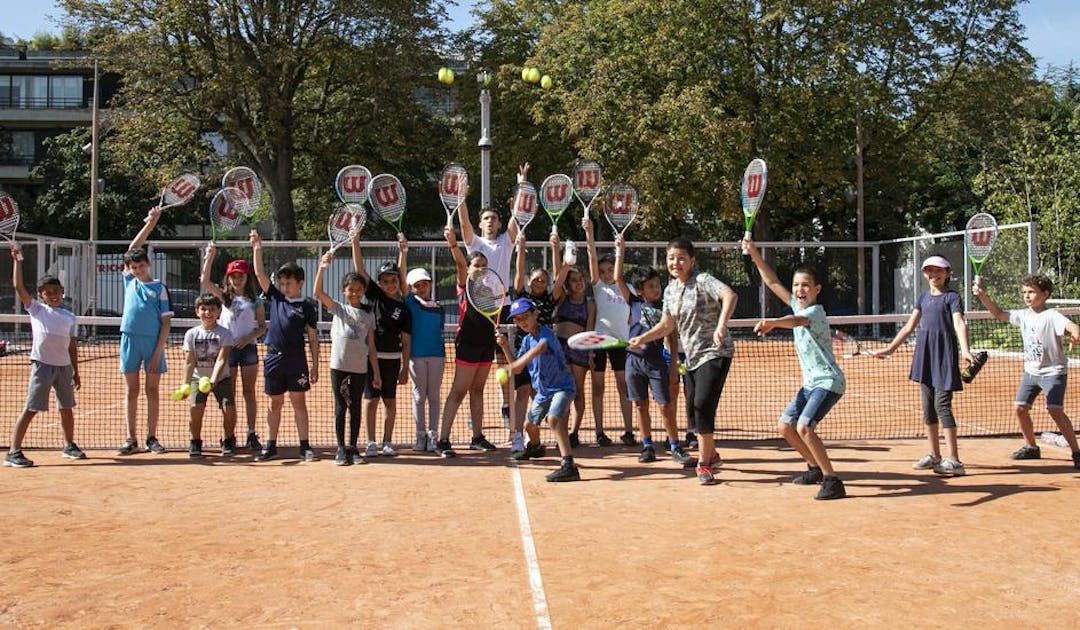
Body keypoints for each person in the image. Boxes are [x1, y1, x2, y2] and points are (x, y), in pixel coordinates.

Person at [628, 237, 737, 486]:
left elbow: (730, 295)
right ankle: (713, 454)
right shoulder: (670, 290)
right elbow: (667, 325)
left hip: (715, 351)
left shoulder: (702, 280)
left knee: (701, 405)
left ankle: (704, 464)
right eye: (671, 258)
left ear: (691, 260)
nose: (675, 262)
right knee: (692, 411)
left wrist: (722, 325)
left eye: (681, 258)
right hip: (691, 356)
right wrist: (642, 338)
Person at [744, 238, 847, 499]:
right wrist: (755, 254)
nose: (800, 290)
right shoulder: (796, 304)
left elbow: (796, 320)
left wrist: (774, 323)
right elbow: (772, 282)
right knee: (785, 426)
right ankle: (813, 467)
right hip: (811, 383)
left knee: (804, 427)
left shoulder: (814, 312)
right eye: (797, 285)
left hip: (828, 381)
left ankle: (832, 480)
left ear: (816, 289)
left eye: (806, 286)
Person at [873, 255, 974, 476]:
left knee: (942, 406)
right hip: (924, 356)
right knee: (928, 407)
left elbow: (959, 323)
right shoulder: (923, 298)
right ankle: (934, 455)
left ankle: (955, 460)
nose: (933, 275)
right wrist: (891, 348)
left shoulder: (952, 297)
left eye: (938, 271)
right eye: (929, 271)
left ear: (947, 273)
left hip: (944, 356)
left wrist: (965, 349)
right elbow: (909, 327)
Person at [974, 274, 1080, 468]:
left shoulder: (1052, 316)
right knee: (1020, 409)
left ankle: (1076, 452)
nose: (1027, 296)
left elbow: (1072, 326)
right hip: (1031, 373)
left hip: (1053, 372)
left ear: (1045, 294)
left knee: (1054, 410)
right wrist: (982, 295)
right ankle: (1031, 447)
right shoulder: (1022, 315)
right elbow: (998, 314)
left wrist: (1075, 333)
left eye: (1031, 292)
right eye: (1024, 292)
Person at [613, 236, 692, 466]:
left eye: (657, 285)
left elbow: (671, 336)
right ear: (640, 290)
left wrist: (674, 365)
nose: (656, 289)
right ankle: (647, 445)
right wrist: (620, 250)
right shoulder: (634, 303)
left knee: (666, 406)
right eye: (651, 286)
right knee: (640, 405)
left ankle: (675, 445)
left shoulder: (666, 305)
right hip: (633, 363)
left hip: (657, 362)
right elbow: (618, 278)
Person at [5, 246, 82, 468]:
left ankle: (69, 445)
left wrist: (76, 371)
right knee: (31, 408)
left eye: (56, 291)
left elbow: (72, 345)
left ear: (63, 291)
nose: (53, 295)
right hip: (42, 366)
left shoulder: (69, 316)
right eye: (48, 293)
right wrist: (18, 261)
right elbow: (18, 286)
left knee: (66, 408)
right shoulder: (37, 310)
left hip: (64, 368)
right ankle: (13, 452)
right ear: (41, 296)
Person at [458, 166, 523, 423]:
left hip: (504, 307)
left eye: (494, 218)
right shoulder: (475, 243)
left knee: (504, 360)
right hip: (480, 308)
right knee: (478, 363)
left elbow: (516, 219)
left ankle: (507, 407)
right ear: (480, 223)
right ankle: (474, 413)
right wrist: (461, 197)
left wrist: (522, 186)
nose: (491, 222)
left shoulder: (507, 241)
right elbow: (463, 223)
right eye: (486, 219)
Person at [249, 230, 320, 462]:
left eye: (288, 283)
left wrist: (315, 365)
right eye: (281, 283)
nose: (284, 286)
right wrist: (257, 247)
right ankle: (270, 446)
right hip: (273, 358)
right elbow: (259, 274)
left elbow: (312, 337)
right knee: (274, 403)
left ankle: (305, 446)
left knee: (299, 402)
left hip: (297, 360)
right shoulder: (276, 298)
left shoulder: (308, 306)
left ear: (300, 283)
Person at [433, 226, 499, 457]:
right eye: (476, 265)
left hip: (486, 344)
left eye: (483, 265)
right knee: (458, 391)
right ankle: (442, 440)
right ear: (469, 269)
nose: (480, 269)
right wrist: (453, 244)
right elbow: (460, 264)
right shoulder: (464, 287)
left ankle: (477, 437)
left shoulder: (490, 291)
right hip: (468, 343)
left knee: (478, 391)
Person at [498, 298, 580, 482]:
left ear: (535, 314)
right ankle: (535, 448)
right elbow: (517, 367)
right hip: (543, 392)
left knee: (554, 419)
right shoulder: (527, 340)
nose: (523, 322)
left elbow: (539, 349)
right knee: (529, 426)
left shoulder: (546, 333)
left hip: (562, 387)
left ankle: (569, 465)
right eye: (518, 319)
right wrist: (504, 347)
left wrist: (512, 367)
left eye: (526, 316)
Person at [314, 245, 380, 466]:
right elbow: (318, 294)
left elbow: (371, 345)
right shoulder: (339, 308)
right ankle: (340, 448)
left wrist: (376, 373)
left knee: (356, 408)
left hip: (359, 368)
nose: (354, 293)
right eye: (350, 289)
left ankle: (353, 448)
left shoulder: (368, 314)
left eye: (358, 290)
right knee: (341, 406)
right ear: (344, 291)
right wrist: (323, 268)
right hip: (338, 366)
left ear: (363, 291)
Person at [200, 244, 267, 453]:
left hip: (248, 350)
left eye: (241, 276)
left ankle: (251, 432)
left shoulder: (255, 301)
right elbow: (204, 281)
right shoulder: (224, 298)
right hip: (227, 350)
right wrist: (209, 257)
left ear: (247, 278)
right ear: (228, 278)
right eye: (233, 276)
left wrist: (248, 338)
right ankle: (229, 435)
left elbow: (263, 327)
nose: (237, 280)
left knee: (249, 392)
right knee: (230, 393)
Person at [117, 206, 172, 455]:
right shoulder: (129, 281)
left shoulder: (159, 288)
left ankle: (152, 437)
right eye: (134, 267)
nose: (138, 270)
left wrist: (158, 351)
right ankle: (131, 438)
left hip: (152, 344)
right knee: (132, 390)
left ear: (148, 264)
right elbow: (131, 248)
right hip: (129, 339)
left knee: (152, 390)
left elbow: (166, 323)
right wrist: (150, 222)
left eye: (141, 266)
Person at [352, 235, 411, 458]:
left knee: (389, 401)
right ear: (379, 283)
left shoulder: (404, 308)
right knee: (371, 400)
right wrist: (356, 242)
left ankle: (387, 441)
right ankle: (370, 442)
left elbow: (406, 341)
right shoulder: (376, 296)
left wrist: (405, 367)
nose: (389, 284)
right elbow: (360, 269)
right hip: (371, 357)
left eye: (393, 281)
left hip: (393, 359)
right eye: (385, 281)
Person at [583, 216, 635, 446]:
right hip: (599, 343)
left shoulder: (626, 288)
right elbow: (591, 256)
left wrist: (620, 249)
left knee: (624, 386)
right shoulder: (598, 287)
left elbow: (619, 275)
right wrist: (589, 234)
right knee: (598, 387)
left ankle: (628, 430)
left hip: (622, 344)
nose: (605, 274)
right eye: (602, 270)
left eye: (609, 270)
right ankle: (599, 431)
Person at [509, 230, 560, 455]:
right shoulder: (521, 297)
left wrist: (555, 248)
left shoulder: (550, 299)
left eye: (543, 280)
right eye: (536, 279)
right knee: (522, 394)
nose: (539, 282)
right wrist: (521, 247)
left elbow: (559, 275)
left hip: (545, 357)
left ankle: (542, 436)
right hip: (523, 351)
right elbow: (519, 271)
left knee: (542, 397)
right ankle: (518, 437)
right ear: (530, 281)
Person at [551, 243, 600, 447]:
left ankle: (574, 431)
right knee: (563, 391)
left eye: (580, 279)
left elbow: (589, 331)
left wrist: (589, 355)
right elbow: (557, 277)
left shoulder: (590, 304)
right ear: (568, 284)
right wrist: (557, 250)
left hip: (579, 352)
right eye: (573, 280)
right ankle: (562, 431)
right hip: (560, 350)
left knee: (578, 391)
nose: (578, 283)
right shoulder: (561, 298)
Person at [177, 293, 234, 459]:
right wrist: (185, 385)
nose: (207, 313)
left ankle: (228, 440)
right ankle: (195, 441)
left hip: (221, 379)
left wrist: (213, 380)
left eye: (212, 309)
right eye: (203, 309)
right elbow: (189, 362)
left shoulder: (225, 334)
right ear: (197, 311)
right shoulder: (191, 334)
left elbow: (222, 359)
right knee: (195, 409)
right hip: (197, 378)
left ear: (218, 312)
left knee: (228, 410)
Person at [402, 243, 446, 454]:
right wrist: (403, 252)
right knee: (419, 396)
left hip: (437, 355)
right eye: (417, 285)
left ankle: (433, 435)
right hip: (416, 356)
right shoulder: (409, 302)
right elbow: (401, 280)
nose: (422, 288)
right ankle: (420, 436)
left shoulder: (439, 308)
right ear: (411, 288)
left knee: (434, 396)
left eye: (425, 284)